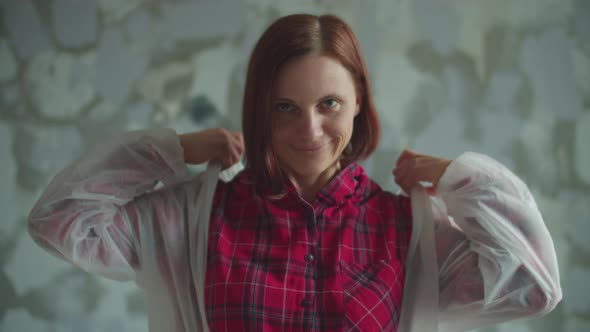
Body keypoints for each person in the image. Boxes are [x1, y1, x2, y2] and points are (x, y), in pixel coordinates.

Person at [27, 14, 561, 332]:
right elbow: (60, 221)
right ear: (261, 109)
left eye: (329, 103)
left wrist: (458, 177)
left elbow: (533, 287)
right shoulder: (192, 219)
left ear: (358, 105)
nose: (309, 129)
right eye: (285, 107)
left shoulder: (410, 230)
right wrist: (175, 149)